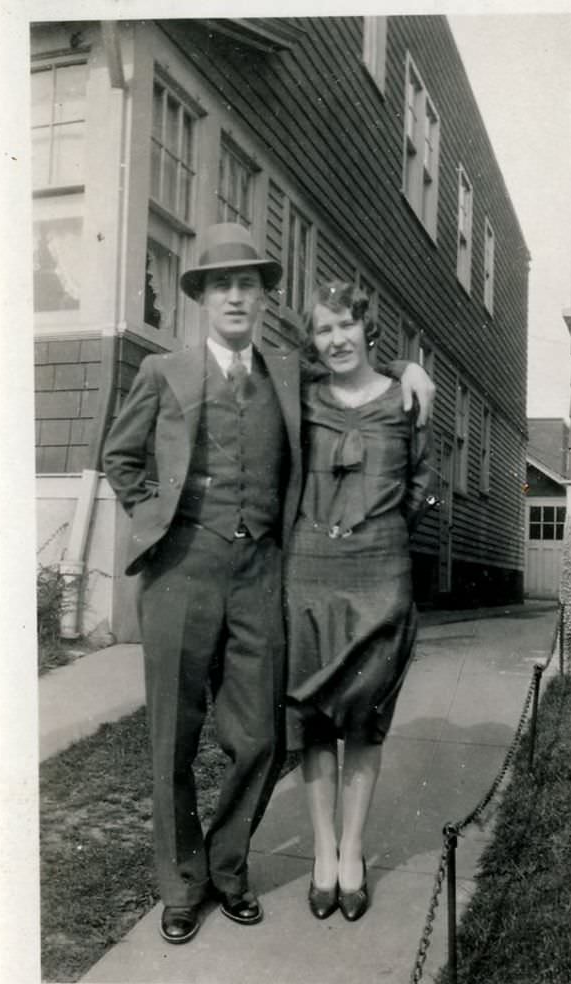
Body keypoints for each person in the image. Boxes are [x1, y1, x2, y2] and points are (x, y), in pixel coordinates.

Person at [102, 223, 435, 945]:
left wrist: (410, 366)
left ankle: (229, 867)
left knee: (259, 739)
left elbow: (356, 364)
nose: (235, 297)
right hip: (181, 575)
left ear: (262, 300)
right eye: (222, 285)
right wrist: (155, 521)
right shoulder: (166, 372)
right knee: (174, 740)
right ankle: (184, 886)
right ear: (201, 298)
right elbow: (120, 457)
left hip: (261, 577)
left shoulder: (287, 371)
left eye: (247, 285)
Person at [284, 280, 436, 923]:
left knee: (365, 720)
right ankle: (323, 853)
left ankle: (355, 853)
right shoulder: (300, 399)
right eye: (323, 329)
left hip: (381, 573)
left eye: (346, 324)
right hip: (309, 573)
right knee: (314, 719)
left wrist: (385, 535)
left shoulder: (407, 401)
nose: (337, 339)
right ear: (313, 341)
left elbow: (423, 483)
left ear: (366, 327)